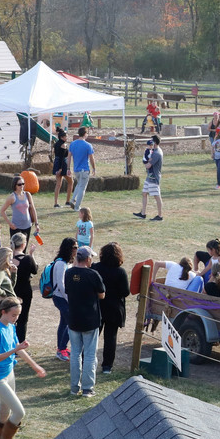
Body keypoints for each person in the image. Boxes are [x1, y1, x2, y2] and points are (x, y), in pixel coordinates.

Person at [0, 295, 46, 439]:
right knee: (19, 412)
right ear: (3, 312)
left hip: (9, 373)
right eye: (13, 315)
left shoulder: (10, 326)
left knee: (5, 412)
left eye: (18, 315)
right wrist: (15, 350)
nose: (16, 318)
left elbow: (18, 349)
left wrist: (35, 366)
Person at [65, 245, 105, 396]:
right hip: (90, 319)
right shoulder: (93, 274)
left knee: (75, 353)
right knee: (89, 354)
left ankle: (74, 387)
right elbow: (102, 295)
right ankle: (88, 388)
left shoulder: (69, 273)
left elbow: (68, 291)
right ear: (88, 259)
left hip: (74, 318)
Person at [92, 242, 129, 375]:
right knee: (110, 338)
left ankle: (86, 361)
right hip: (114, 308)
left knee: (93, 336)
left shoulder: (95, 267)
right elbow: (125, 292)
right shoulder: (120, 272)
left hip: (98, 307)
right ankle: (107, 366)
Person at [50, 238, 78, 360]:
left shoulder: (67, 262)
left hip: (63, 297)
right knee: (71, 322)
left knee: (64, 322)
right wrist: (69, 299)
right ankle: (61, 349)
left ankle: (61, 348)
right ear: (68, 249)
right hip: (61, 297)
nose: (76, 250)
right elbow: (61, 285)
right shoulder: (61, 264)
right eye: (75, 247)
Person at [9, 232, 38, 341]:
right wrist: (31, 254)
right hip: (25, 292)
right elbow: (35, 270)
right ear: (23, 244)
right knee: (22, 319)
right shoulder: (27, 259)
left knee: (9, 318)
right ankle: (20, 343)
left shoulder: (8, 258)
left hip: (11, 291)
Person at [133, 135, 164, 220]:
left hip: (154, 178)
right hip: (149, 176)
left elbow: (148, 165)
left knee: (157, 196)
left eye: (152, 141)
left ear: (155, 142)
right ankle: (143, 213)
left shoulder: (156, 153)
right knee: (144, 193)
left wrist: (145, 161)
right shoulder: (153, 151)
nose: (150, 143)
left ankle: (160, 216)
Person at [0, 174, 39, 239]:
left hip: (27, 226)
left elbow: (33, 209)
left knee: (25, 245)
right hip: (16, 227)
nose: (22, 186)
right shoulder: (12, 197)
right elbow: (2, 211)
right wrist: (10, 223)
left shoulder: (27, 194)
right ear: (15, 185)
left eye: (23, 184)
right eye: (19, 184)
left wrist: (36, 224)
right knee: (16, 245)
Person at [68, 127, 96, 209]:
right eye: (87, 133)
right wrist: (94, 168)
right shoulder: (88, 145)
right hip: (84, 169)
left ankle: (73, 199)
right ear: (85, 134)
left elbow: (69, 157)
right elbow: (91, 158)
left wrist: (68, 168)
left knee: (79, 185)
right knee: (82, 188)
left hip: (76, 169)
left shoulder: (72, 144)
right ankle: (77, 206)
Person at [52, 127, 72, 208]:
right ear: (62, 137)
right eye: (65, 136)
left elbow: (57, 155)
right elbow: (62, 156)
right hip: (62, 164)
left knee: (58, 184)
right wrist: (60, 168)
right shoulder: (63, 145)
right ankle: (67, 201)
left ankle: (56, 203)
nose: (67, 137)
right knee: (71, 182)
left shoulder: (56, 144)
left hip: (57, 162)